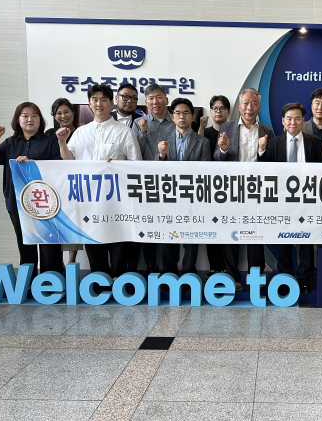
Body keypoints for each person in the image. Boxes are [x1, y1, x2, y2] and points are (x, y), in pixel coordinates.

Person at [56, 84, 142, 278]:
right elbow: (69, 161)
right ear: (89, 103)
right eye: (94, 99)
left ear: (111, 103)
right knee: (94, 243)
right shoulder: (80, 132)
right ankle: (99, 281)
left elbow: (137, 165)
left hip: (117, 202)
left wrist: (118, 166)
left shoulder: (125, 132)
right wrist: (62, 142)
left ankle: (118, 280)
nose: (99, 104)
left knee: (119, 243)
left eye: (104, 99)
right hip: (89, 200)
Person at [135, 84, 211, 275]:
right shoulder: (163, 138)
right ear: (173, 117)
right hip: (168, 196)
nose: (182, 116)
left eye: (186, 113)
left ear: (192, 117)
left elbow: (206, 173)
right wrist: (161, 155)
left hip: (192, 198)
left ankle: (189, 274)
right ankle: (168, 275)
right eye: (178, 113)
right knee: (168, 238)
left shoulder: (203, 142)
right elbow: (156, 168)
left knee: (191, 239)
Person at [0, 102, 63, 275]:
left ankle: (52, 280)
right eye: (25, 116)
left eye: (34, 115)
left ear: (40, 120)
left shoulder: (50, 141)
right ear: (18, 120)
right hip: (17, 202)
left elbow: (59, 167)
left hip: (46, 202)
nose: (30, 119)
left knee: (49, 244)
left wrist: (32, 164)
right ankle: (29, 281)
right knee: (25, 243)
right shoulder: (10, 142)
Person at [259, 103, 322, 293]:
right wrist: (261, 150)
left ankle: (305, 279)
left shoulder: (315, 142)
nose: (293, 122)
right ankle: (285, 277)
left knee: (306, 241)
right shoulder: (273, 143)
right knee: (283, 240)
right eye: (289, 118)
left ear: (303, 121)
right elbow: (264, 170)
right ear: (283, 121)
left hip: (307, 199)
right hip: (282, 200)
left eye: (297, 118)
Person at [214, 88, 275, 291]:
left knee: (256, 236)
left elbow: (272, 163)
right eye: (246, 103)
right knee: (231, 235)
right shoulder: (227, 127)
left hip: (257, 192)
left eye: (253, 103)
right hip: (232, 190)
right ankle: (233, 278)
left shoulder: (266, 131)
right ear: (239, 106)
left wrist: (262, 151)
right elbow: (217, 160)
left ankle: (255, 278)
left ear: (259, 107)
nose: (249, 107)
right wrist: (223, 149)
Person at [45, 98, 82, 265]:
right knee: (54, 222)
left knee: (72, 221)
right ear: (54, 116)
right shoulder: (48, 134)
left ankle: (71, 261)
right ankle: (57, 264)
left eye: (66, 111)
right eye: (59, 113)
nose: (63, 116)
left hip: (74, 184)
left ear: (73, 113)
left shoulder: (81, 132)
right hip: (53, 184)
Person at [197, 95, 231, 277]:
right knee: (211, 228)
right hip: (208, 189)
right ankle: (214, 266)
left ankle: (227, 267)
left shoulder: (233, 131)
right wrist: (201, 128)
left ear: (228, 112)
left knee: (227, 228)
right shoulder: (205, 131)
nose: (218, 111)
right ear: (210, 111)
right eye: (215, 108)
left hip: (230, 188)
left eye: (222, 108)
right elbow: (198, 149)